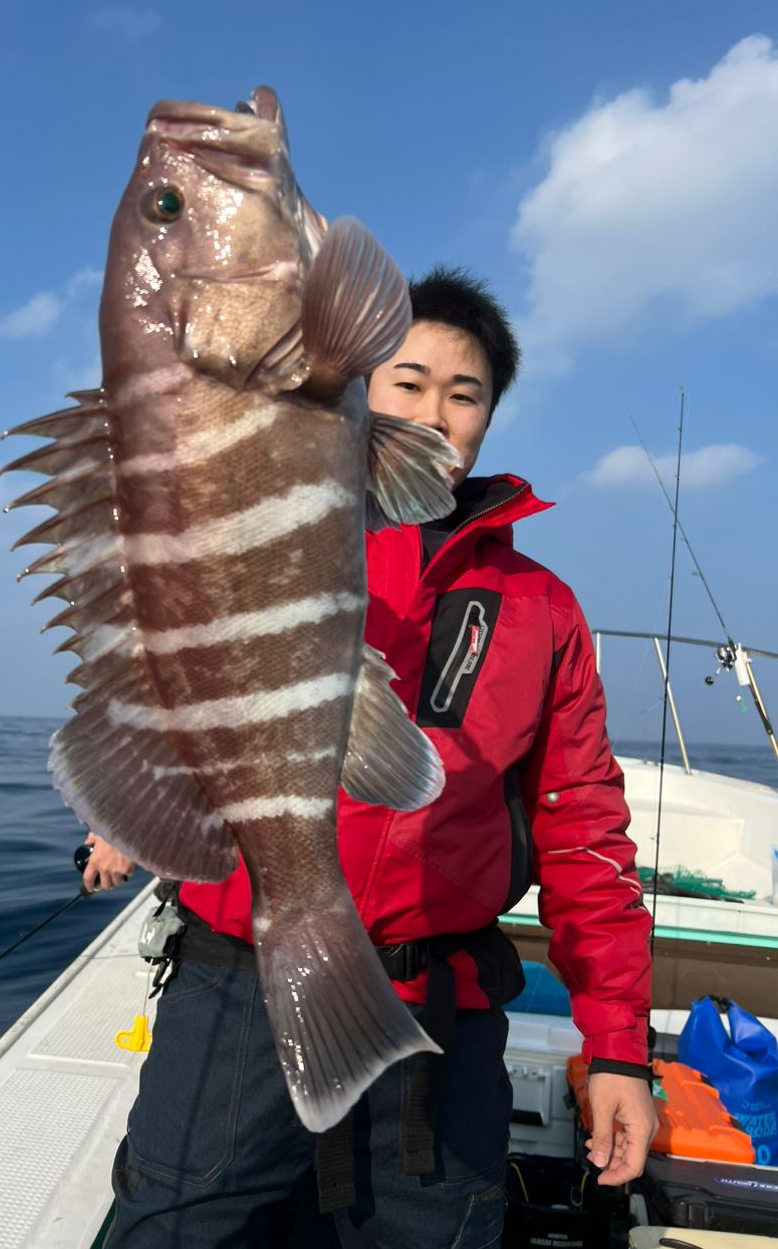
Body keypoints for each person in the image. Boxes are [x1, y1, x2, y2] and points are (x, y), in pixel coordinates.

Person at [85, 266, 658, 1248]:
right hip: (239, 984)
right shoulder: (261, 528)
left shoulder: (543, 607)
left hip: (433, 1011)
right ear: (353, 389)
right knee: (174, 1227)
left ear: (488, 420)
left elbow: (582, 827)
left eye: (465, 391)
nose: (436, 408)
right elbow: (162, 677)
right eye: (408, 378)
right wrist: (126, 809)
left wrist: (618, 1046)